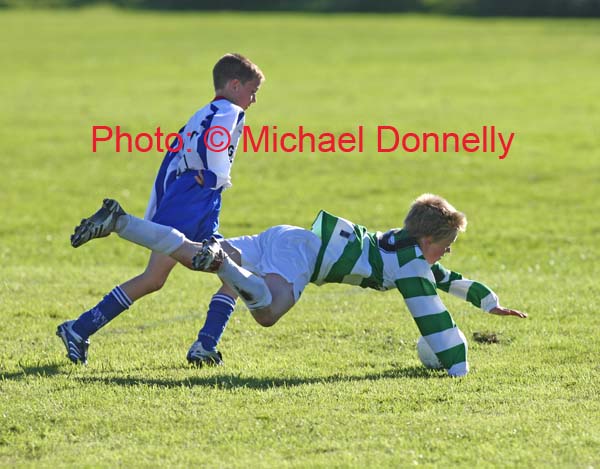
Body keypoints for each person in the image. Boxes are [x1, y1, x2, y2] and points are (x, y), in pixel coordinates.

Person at [67, 194, 527, 377]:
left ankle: (122, 222)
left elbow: (442, 279)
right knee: (268, 311)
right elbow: (430, 311)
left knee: (186, 252)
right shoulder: (411, 266)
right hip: (304, 253)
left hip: (286, 235)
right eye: (446, 244)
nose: (447, 252)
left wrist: (490, 303)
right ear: (429, 238)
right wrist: (457, 366)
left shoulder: (408, 246)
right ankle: (224, 265)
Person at [57, 53, 265, 366]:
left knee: (206, 270)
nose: (253, 100)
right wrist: (213, 176)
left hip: (192, 198)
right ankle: (202, 344)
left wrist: (162, 204)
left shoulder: (202, 112)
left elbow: (173, 158)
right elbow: (216, 145)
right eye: (252, 91)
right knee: (213, 268)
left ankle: (81, 328)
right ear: (234, 85)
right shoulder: (230, 110)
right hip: (195, 197)